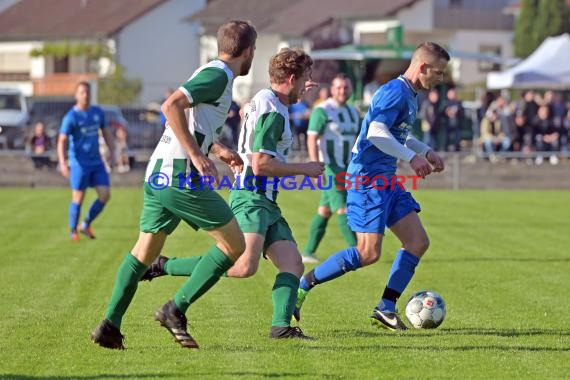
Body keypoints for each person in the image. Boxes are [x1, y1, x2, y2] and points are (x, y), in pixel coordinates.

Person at [90, 20, 257, 350]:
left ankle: (110, 325)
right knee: (235, 246)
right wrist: (196, 155)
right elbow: (171, 106)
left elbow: (193, 124)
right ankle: (174, 309)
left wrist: (218, 149)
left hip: (159, 174)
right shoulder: (219, 75)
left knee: (144, 252)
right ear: (248, 51)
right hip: (179, 176)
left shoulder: (215, 74)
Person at [139, 48, 323, 340]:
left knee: (292, 263)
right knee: (242, 266)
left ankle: (281, 328)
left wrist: (297, 90)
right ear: (290, 78)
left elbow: (254, 108)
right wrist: (306, 169)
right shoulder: (274, 111)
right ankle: (164, 266)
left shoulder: (269, 99)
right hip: (252, 196)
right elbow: (261, 164)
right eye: (304, 79)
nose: (307, 85)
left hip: (266, 202)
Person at [294, 42, 449, 331]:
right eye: (438, 73)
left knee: (417, 242)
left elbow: (399, 135)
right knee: (367, 253)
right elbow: (377, 132)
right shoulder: (394, 91)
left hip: (386, 178)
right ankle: (304, 284)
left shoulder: (411, 95)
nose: (440, 79)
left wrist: (425, 150)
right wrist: (413, 158)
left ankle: (386, 307)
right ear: (423, 67)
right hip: (366, 178)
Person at [302, 73, 359, 264]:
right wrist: (314, 164)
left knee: (324, 210)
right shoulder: (322, 110)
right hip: (330, 167)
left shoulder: (353, 111)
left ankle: (308, 252)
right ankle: (359, 250)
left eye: (346, 87)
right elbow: (312, 137)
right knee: (342, 208)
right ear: (332, 89)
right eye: (339, 87)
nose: (342, 91)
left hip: (347, 168)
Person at [57, 82, 115, 241]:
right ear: (76, 95)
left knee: (105, 195)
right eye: (82, 92)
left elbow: (106, 132)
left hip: (97, 163)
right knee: (78, 198)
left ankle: (86, 224)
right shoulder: (71, 117)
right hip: (79, 164)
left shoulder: (97, 112)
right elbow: (61, 140)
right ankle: (73, 231)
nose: (86, 95)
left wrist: (112, 151)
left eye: (87, 92)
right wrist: (63, 163)